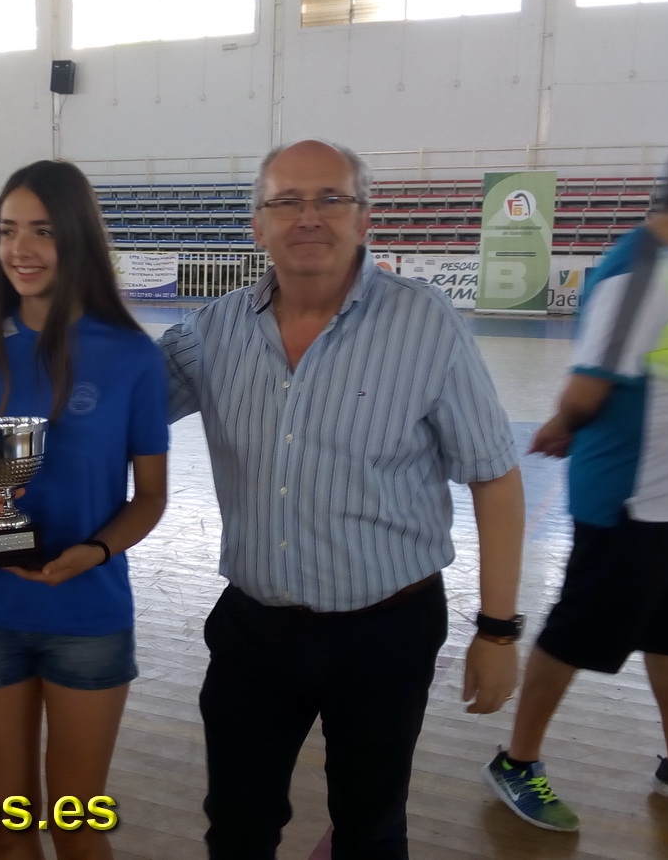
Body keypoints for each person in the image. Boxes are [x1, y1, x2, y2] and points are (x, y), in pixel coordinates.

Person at [158, 140, 525, 859]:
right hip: (254, 631)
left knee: (371, 828)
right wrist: (5, 343)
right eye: (285, 201)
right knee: (236, 825)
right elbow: (111, 399)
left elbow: (495, 478)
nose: (308, 217)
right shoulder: (214, 331)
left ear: (363, 219)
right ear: (257, 225)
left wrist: (498, 630)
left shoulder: (426, 326)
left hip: (387, 634)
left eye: (330, 198)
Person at [0, 159, 169, 859]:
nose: (20, 249)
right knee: (7, 828)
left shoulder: (132, 357)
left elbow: (152, 496)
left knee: (77, 826)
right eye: (7, 231)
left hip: (87, 614)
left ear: (77, 237)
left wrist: (95, 551)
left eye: (42, 230)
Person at [484, 141, 668, 831]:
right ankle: (517, 760)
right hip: (629, 500)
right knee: (575, 633)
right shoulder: (640, 269)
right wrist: (562, 424)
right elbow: (587, 387)